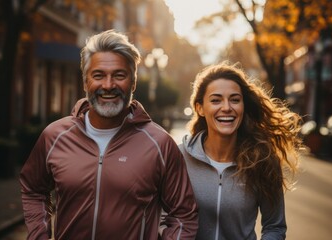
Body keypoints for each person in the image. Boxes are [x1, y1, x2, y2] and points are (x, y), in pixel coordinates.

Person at [20, 29, 198, 240]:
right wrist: (39, 236)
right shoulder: (54, 136)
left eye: (119, 75)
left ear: (133, 82)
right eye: (98, 75)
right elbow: (32, 188)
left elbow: (184, 215)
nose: (108, 85)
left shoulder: (160, 144)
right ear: (86, 82)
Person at [179, 61, 303, 240]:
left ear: (243, 107)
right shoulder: (180, 157)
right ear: (200, 108)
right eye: (216, 100)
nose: (227, 107)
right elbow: (164, 216)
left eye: (235, 100)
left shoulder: (263, 160)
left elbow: (274, 227)